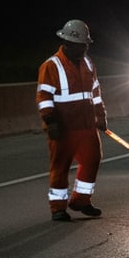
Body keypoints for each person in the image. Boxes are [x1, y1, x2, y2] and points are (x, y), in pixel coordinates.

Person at [36, 19, 108, 222]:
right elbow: (43, 97)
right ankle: (58, 208)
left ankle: (81, 200)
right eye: (82, 45)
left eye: (86, 45)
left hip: (86, 126)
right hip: (63, 127)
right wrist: (50, 121)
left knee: (92, 159)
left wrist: (100, 116)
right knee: (60, 166)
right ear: (69, 43)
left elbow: (95, 93)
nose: (85, 48)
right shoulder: (51, 66)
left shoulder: (87, 63)